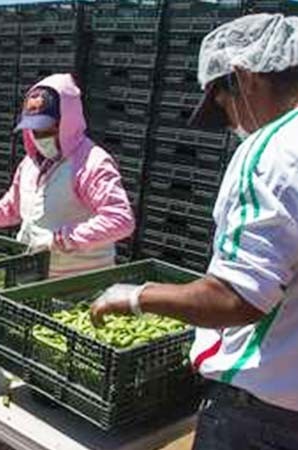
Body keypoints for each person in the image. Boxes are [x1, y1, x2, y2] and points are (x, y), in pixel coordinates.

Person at [89, 14, 298, 450]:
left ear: (244, 77)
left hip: (262, 415)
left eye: (222, 103)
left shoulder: (271, 151)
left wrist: (136, 296)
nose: (229, 121)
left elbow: (236, 298)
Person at [0, 74, 135, 278]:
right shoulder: (30, 164)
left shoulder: (92, 163)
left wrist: (60, 240)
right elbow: (12, 207)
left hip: (78, 283)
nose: (40, 137)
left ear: (67, 122)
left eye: (46, 129)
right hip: (32, 276)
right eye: (34, 130)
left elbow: (120, 219)